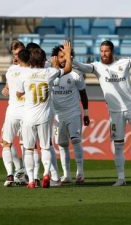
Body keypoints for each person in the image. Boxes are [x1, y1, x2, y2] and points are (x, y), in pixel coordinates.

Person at [73, 40, 131, 186]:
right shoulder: (96, 67)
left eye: (106, 51)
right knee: (118, 146)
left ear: (112, 51)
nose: (103, 54)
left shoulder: (124, 62)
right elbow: (81, 67)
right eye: (101, 51)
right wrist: (70, 57)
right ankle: (121, 178)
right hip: (115, 113)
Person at [16, 41, 72, 189]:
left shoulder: (24, 73)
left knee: (29, 149)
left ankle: (32, 181)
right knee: (46, 147)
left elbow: (19, 92)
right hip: (45, 116)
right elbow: (67, 68)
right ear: (43, 60)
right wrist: (67, 53)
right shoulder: (49, 72)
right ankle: (46, 173)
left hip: (28, 116)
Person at [50, 45, 90, 185]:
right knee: (62, 144)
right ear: (55, 58)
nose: (63, 59)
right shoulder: (50, 73)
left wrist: (86, 113)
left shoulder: (76, 74)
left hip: (73, 112)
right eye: (61, 57)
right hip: (57, 115)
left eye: (66, 56)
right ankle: (66, 175)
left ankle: (80, 172)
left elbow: (83, 94)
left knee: (76, 140)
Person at [1, 47, 29, 187]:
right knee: (28, 146)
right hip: (27, 113)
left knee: (6, 143)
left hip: (12, 112)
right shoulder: (31, 72)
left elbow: (7, 87)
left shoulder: (10, 71)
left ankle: (10, 175)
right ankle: (28, 174)